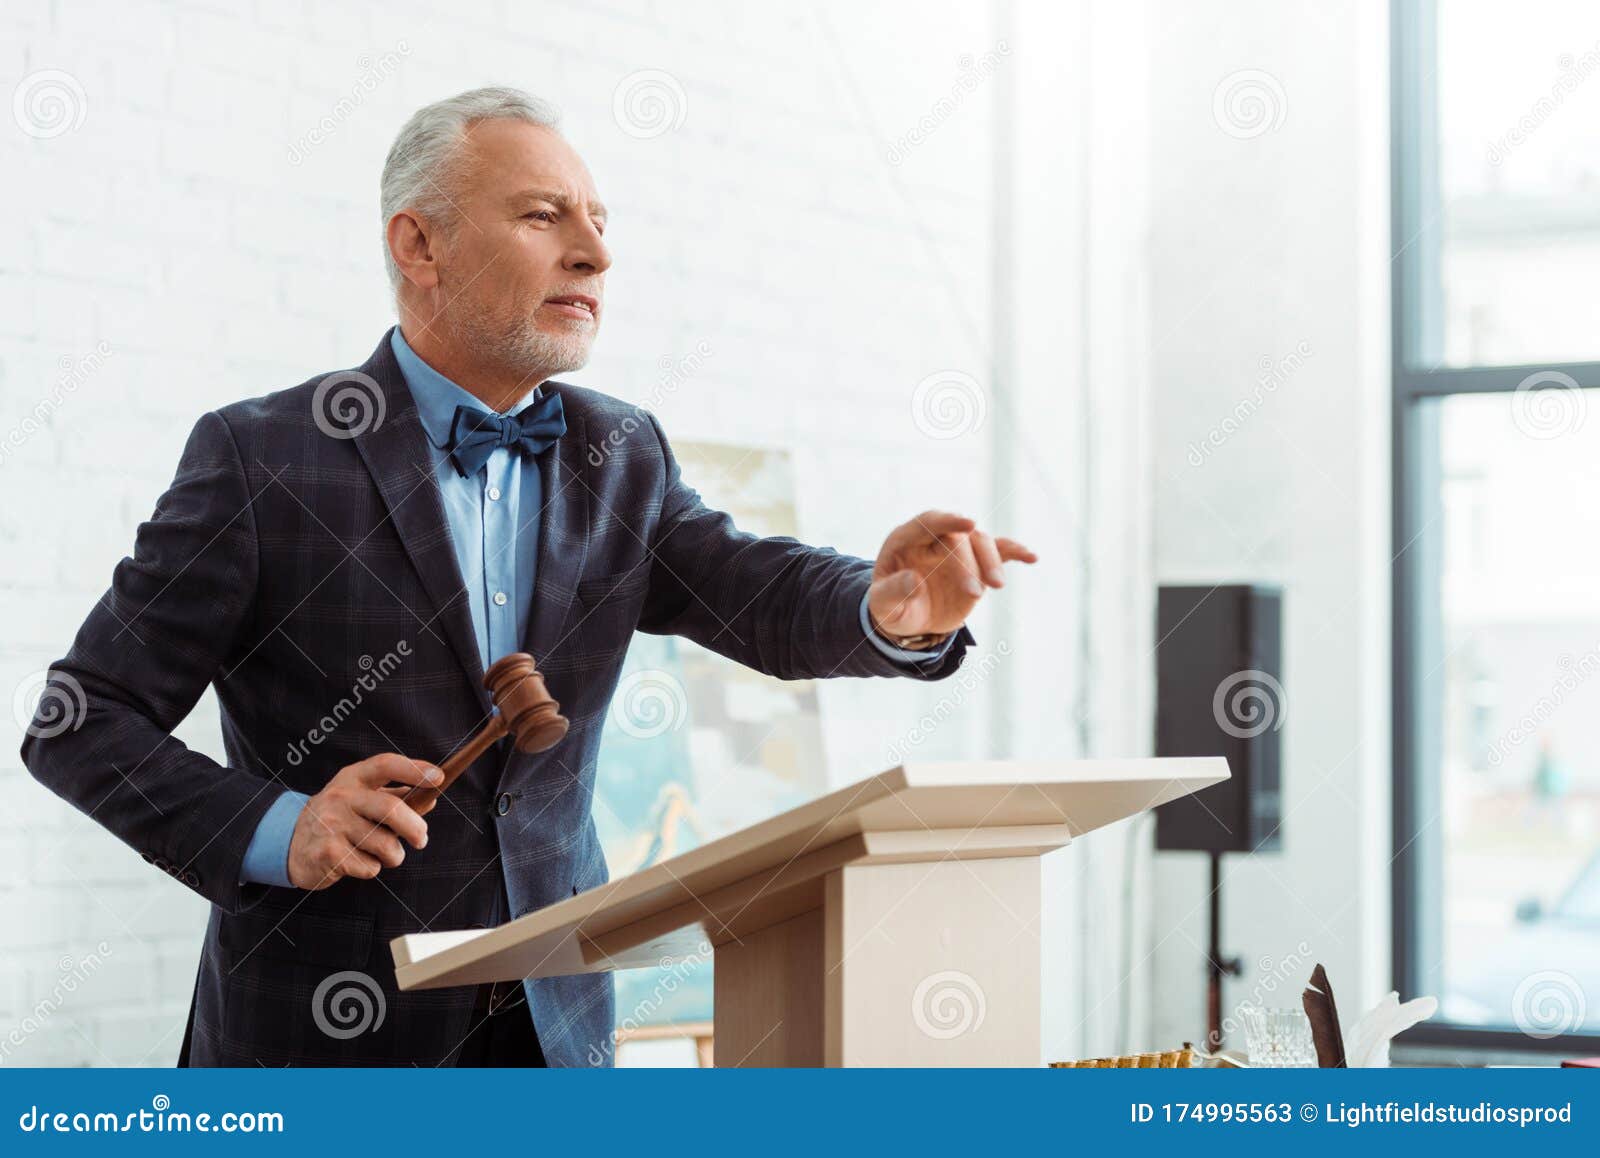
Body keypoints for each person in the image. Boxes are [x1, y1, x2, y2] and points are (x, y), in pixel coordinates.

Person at [21, 87, 1035, 1067]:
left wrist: (886, 609)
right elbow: (82, 719)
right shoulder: (264, 458)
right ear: (418, 245)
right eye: (543, 217)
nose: (594, 253)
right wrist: (284, 827)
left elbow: (753, 589)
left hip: (557, 1036)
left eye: (597, 221)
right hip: (322, 1045)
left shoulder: (622, 450)